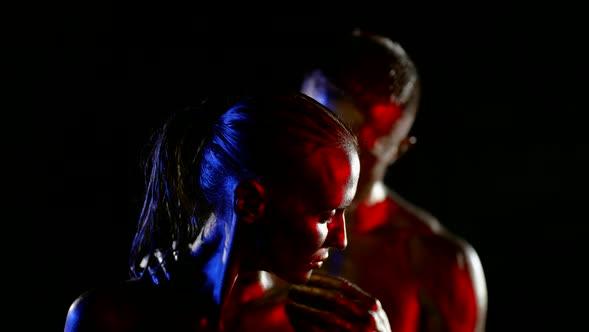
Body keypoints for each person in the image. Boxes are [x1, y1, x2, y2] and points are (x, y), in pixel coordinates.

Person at [63, 91, 392, 331]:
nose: (342, 239)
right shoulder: (112, 319)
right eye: (325, 214)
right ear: (249, 201)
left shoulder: (320, 324)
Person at [299, 29, 489, 332]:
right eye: (316, 135)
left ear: (399, 149)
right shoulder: (245, 222)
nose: (333, 166)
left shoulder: (436, 262)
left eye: (360, 152)